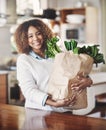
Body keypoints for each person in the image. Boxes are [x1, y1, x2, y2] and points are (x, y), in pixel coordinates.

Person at [14, 18, 93, 112]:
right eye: (30, 36)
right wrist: (53, 103)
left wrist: (88, 81)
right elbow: (29, 90)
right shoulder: (24, 60)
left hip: (65, 109)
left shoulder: (58, 53)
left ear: (44, 33)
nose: (35, 38)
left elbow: (74, 74)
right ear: (24, 39)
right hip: (39, 111)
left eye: (38, 33)